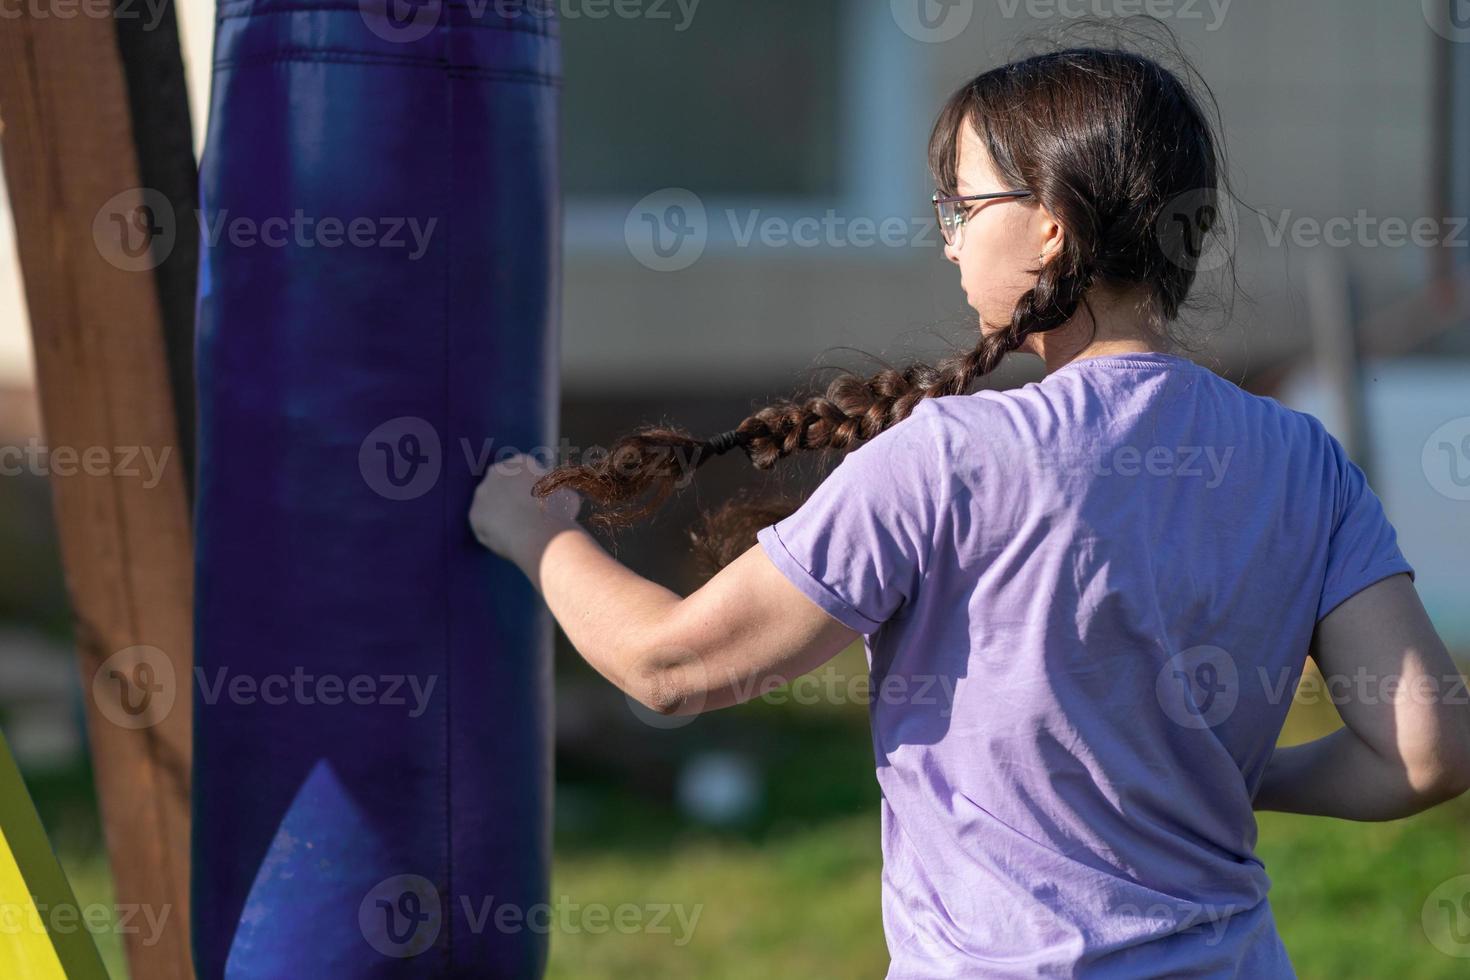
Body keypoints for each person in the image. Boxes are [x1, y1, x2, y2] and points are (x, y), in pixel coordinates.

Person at [468, 40, 1470, 979]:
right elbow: (1430, 752)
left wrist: (536, 533)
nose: (948, 244)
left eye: (960, 205)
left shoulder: (950, 457)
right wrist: (1230, 776)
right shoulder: (1303, 455)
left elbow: (673, 667)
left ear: (1050, 222)